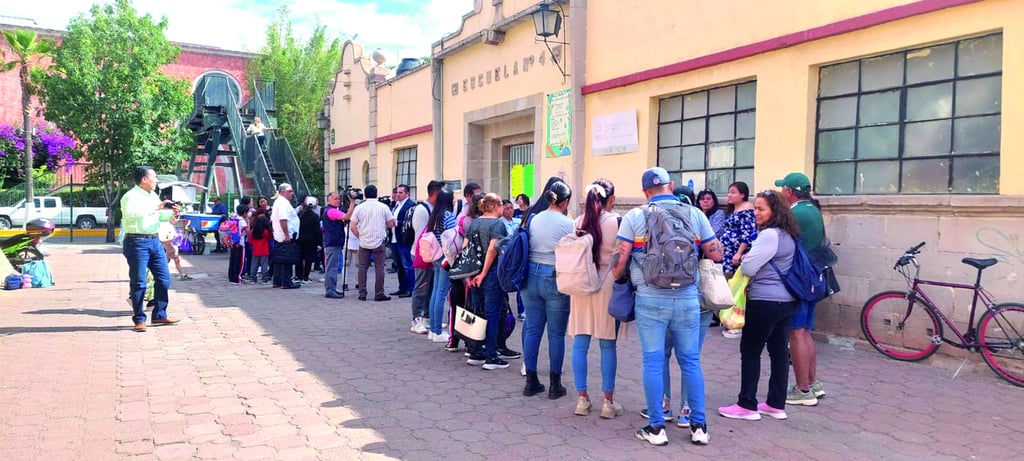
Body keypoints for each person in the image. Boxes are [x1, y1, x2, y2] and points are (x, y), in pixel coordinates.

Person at [612, 167, 719, 446]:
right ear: (671, 186)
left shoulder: (636, 216)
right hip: (687, 299)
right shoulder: (695, 214)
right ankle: (699, 426)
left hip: (650, 298)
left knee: (653, 359)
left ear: (646, 192)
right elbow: (715, 252)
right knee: (691, 361)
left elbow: (619, 261)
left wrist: (618, 277)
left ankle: (657, 427)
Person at [718, 189, 801, 421]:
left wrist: (747, 259)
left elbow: (749, 269)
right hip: (786, 300)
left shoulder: (770, 235)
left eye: (761, 208)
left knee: (751, 351)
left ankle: (747, 404)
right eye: (755, 208)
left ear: (775, 211)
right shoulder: (788, 234)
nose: (756, 213)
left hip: (765, 300)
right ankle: (775, 403)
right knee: (778, 352)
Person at [568, 179, 624, 418]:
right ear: (610, 198)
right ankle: (607, 402)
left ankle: (582, 399)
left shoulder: (578, 222)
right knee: (607, 344)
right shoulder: (616, 221)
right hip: (607, 283)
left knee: (580, 343)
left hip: (581, 283)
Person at [775, 172, 828, 406]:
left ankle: (802, 389)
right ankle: (812, 382)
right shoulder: (814, 210)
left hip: (799, 278)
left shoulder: (794, 213)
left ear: (788, 191)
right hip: (813, 277)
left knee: (796, 333)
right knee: (805, 332)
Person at [521, 180, 575, 400]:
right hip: (554, 276)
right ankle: (555, 384)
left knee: (532, 329)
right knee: (556, 333)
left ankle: (531, 380)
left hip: (530, 276)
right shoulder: (567, 224)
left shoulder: (533, 219)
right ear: (565, 202)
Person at [121, 166, 181, 332]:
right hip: (137, 241)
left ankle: (160, 314)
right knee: (139, 281)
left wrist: (172, 213)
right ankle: (139, 319)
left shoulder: (153, 195)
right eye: (154, 177)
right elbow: (130, 214)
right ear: (144, 179)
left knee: (164, 278)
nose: (156, 180)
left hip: (154, 240)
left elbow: (160, 216)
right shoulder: (130, 196)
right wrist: (155, 208)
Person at [465, 193, 511, 370]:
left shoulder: (474, 222)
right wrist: (483, 273)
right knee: (493, 313)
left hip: (473, 272)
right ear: (497, 206)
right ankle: (492, 355)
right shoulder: (497, 224)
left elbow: (465, 248)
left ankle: (476, 351)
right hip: (490, 273)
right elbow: (493, 250)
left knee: (478, 311)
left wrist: (468, 274)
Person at [719, 181, 757, 339]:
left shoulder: (747, 210)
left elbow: (747, 234)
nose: (729, 195)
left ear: (743, 194)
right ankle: (729, 318)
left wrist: (739, 252)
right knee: (730, 286)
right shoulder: (734, 210)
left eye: (733, 192)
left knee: (737, 288)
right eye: (729, 192)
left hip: (737, 255)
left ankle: (737, 322)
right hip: (727, 253)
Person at [409, 181, 446, 333]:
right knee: (421, 287)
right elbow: (421, 237)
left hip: (433, 255)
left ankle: (428, 316)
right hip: (423, 254)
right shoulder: (422, 210)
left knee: (431, 287)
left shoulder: (434, 209)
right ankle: (416, 318)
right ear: (436, 193)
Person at [349, 185, 396, 301]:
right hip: (379, 240)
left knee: (362, 267)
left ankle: (362, 293)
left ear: (365, 195)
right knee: (379, 267)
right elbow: (391, 224)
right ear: (377, 194)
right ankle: (379, 293)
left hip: (364, 241)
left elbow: (352, 225)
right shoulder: (383, 207)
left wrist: (359, 235)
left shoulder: (359, 208)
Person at [426, 188, 457, 343]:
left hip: (436, 256)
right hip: (446, 257)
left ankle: (433, 328)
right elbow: (452, 236)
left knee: (436, 292)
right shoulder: (448, 215)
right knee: (441, 293)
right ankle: (437, 330)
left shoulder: (435, 215)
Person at [322, 191, 356, 298]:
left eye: (338, 199)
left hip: (333, 242)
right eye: (335, 199)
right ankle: (330, 289)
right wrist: (352, 204)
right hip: (333, 242)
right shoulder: (331, 211)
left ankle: (332, 287)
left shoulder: (331, 210)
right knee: (331, 267)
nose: (338, 201)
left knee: (333, 266)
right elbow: (346, 217)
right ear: (329, 200)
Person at [271, 183, 301, 289]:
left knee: (279, 259)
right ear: (283, 192)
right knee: (286, 259)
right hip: (285, 236)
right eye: (289, 191)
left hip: (280, 235)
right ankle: (286, 282)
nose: (292, 193)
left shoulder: (279, 202)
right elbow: (283, 219)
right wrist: (287, 235)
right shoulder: (283, 203)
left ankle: (277, 281)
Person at [391, 185, 416, 297]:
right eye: (397, 192)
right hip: (394, 238)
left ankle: (410, 288)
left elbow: (410, 222)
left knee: (407, 265)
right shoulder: (397, 204)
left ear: (407, 193)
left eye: (401, 192)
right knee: (399, 265)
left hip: (404, 239)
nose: (398, 194)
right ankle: (402, 287)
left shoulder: (410, 205)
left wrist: (396, 222)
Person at [297, 197, 322, 283]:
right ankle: (306, 277)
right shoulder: (315, 216)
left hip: (299, 239)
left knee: (299, 258)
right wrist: (319, 242)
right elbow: (317, 230)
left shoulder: (300, 214)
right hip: (311, 240)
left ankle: (299, 275)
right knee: (308, 258)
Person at [158, 216, 191, 282]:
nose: (177, 220)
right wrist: (171, 242)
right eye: (176, 218)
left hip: (171, 246)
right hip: (169, 246)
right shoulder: (166, 226)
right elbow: (163, 239)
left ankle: (181, 274)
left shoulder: (170, 225)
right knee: (168, 261)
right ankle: (161, 275)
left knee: (174, 260)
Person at [228, 205, 250, 284]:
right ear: (244, 213)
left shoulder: (233, 218)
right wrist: (248, 221)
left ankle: (231, 277)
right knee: (240, 261)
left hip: (232, 242)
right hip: (240, 243)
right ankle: (237, 278)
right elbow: (248, 232)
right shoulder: (242, 220)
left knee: (232, 260)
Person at [249, 208, 272, 283]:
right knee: (264, 265)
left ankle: (253, 278)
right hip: (264, 250)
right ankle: (265, 279)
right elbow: (269, 238)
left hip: (255, 250)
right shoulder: (266, 232)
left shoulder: (253, 232)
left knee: (254, 265)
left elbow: (250, 241)